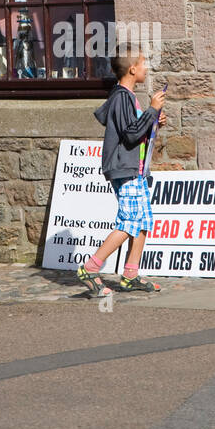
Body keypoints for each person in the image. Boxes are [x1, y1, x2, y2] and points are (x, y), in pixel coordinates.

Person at [76, 44, 167, 296]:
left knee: (143, 221)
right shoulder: (121, 97)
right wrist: (151, 110)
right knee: (129, 222)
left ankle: (130, 275)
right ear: (132, 68)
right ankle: (90, 268)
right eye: (143, 63)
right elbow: (130, 136)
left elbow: (137, 133)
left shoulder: (128, 98)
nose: (146, 67)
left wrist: (153, 121)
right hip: (124, 170)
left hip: (135, 170)